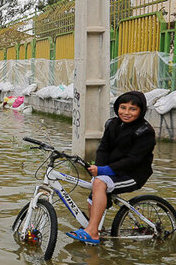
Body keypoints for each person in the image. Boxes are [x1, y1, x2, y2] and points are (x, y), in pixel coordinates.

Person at [67, 91, 156, 244]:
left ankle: (93, 232)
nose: (126, 112)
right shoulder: (112, 124)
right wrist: (99, 169)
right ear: (117, 108)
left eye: (132, 109)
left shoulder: (145, 131)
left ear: (141, 111)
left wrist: (103, 171)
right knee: (92, 196)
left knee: (100, 183)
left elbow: (133, 160)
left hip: (133, 175)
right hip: (112, 171)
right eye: (123, 107)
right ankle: (96, 229)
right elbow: (103, 149)